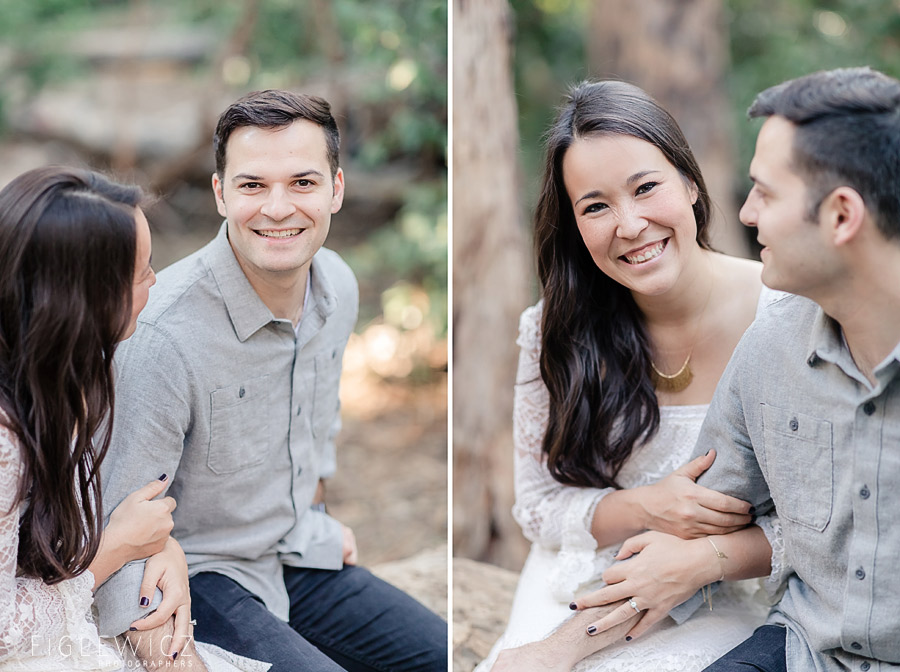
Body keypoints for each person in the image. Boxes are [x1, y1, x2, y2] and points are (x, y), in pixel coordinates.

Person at [92, 90, 447, 672]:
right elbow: (120, 523)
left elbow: (317, 428)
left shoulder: (337, 286)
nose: (278, 209)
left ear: (336, 188)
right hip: (202, 573)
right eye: (253, 185)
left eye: (303, 183)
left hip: (298, 552)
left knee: (444, 657)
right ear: (220, 194)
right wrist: (170, 657)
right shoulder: (162, 336)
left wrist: (320, 522)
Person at [578, 66, 900, 672]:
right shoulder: (771, 346)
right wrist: (549, 653)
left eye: (766, 193)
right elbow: (685, 539)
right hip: (805, 650)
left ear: (840, 215)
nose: (746, 214)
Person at [477, 81, 784, 672]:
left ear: (690, 183)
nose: (630, 224)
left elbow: (833, 522)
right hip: (580, 576)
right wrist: (647, 506)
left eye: (646, 188)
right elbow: (538, 505)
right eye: (596, 206)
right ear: (573, 223)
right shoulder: (554, 327)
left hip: (739, 591)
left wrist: (702, 559)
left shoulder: (784, 313)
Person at [0, 166, 200, 670]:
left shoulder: (58, 378)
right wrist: (117, 548)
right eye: (143, 272)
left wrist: (162, 546)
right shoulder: (5, 439)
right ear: (86, 300)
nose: (156, 279)